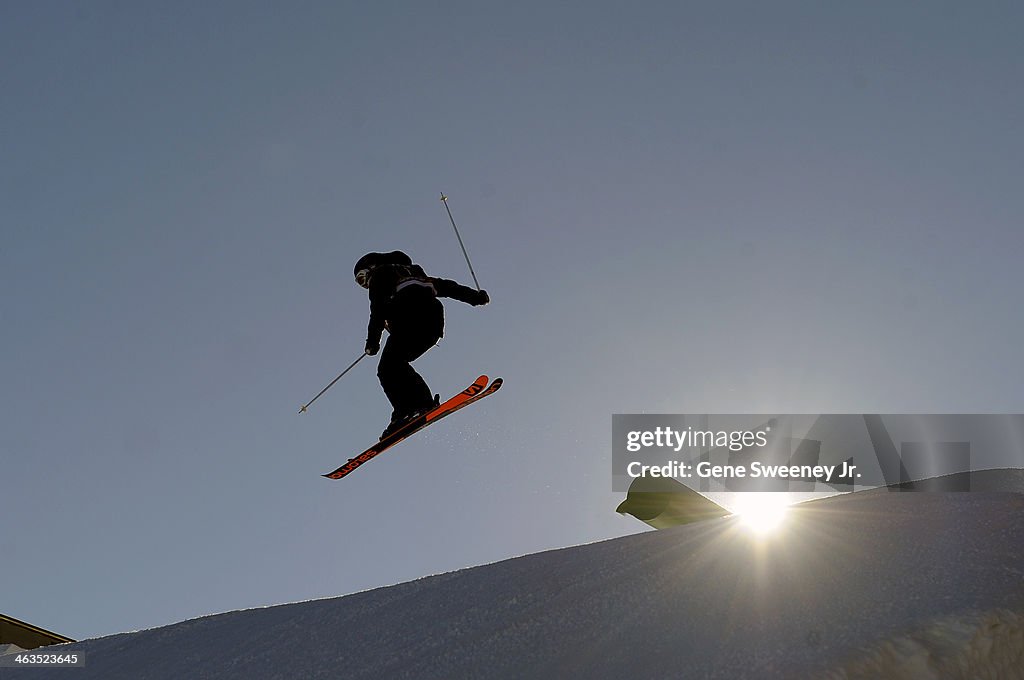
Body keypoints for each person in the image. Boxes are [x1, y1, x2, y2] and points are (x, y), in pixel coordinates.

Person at [353, 251, 490, 440]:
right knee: (396, 365)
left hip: (409, 319)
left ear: (371, 267)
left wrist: (372, 343)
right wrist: (475, 297)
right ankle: (421, 405)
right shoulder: (417, 275)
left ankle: (407, 411)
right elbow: (448, 287)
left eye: (362, 278)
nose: (364, 284)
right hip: (432, 325)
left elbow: (377, 309)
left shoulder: (381, 274)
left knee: (387, 368)